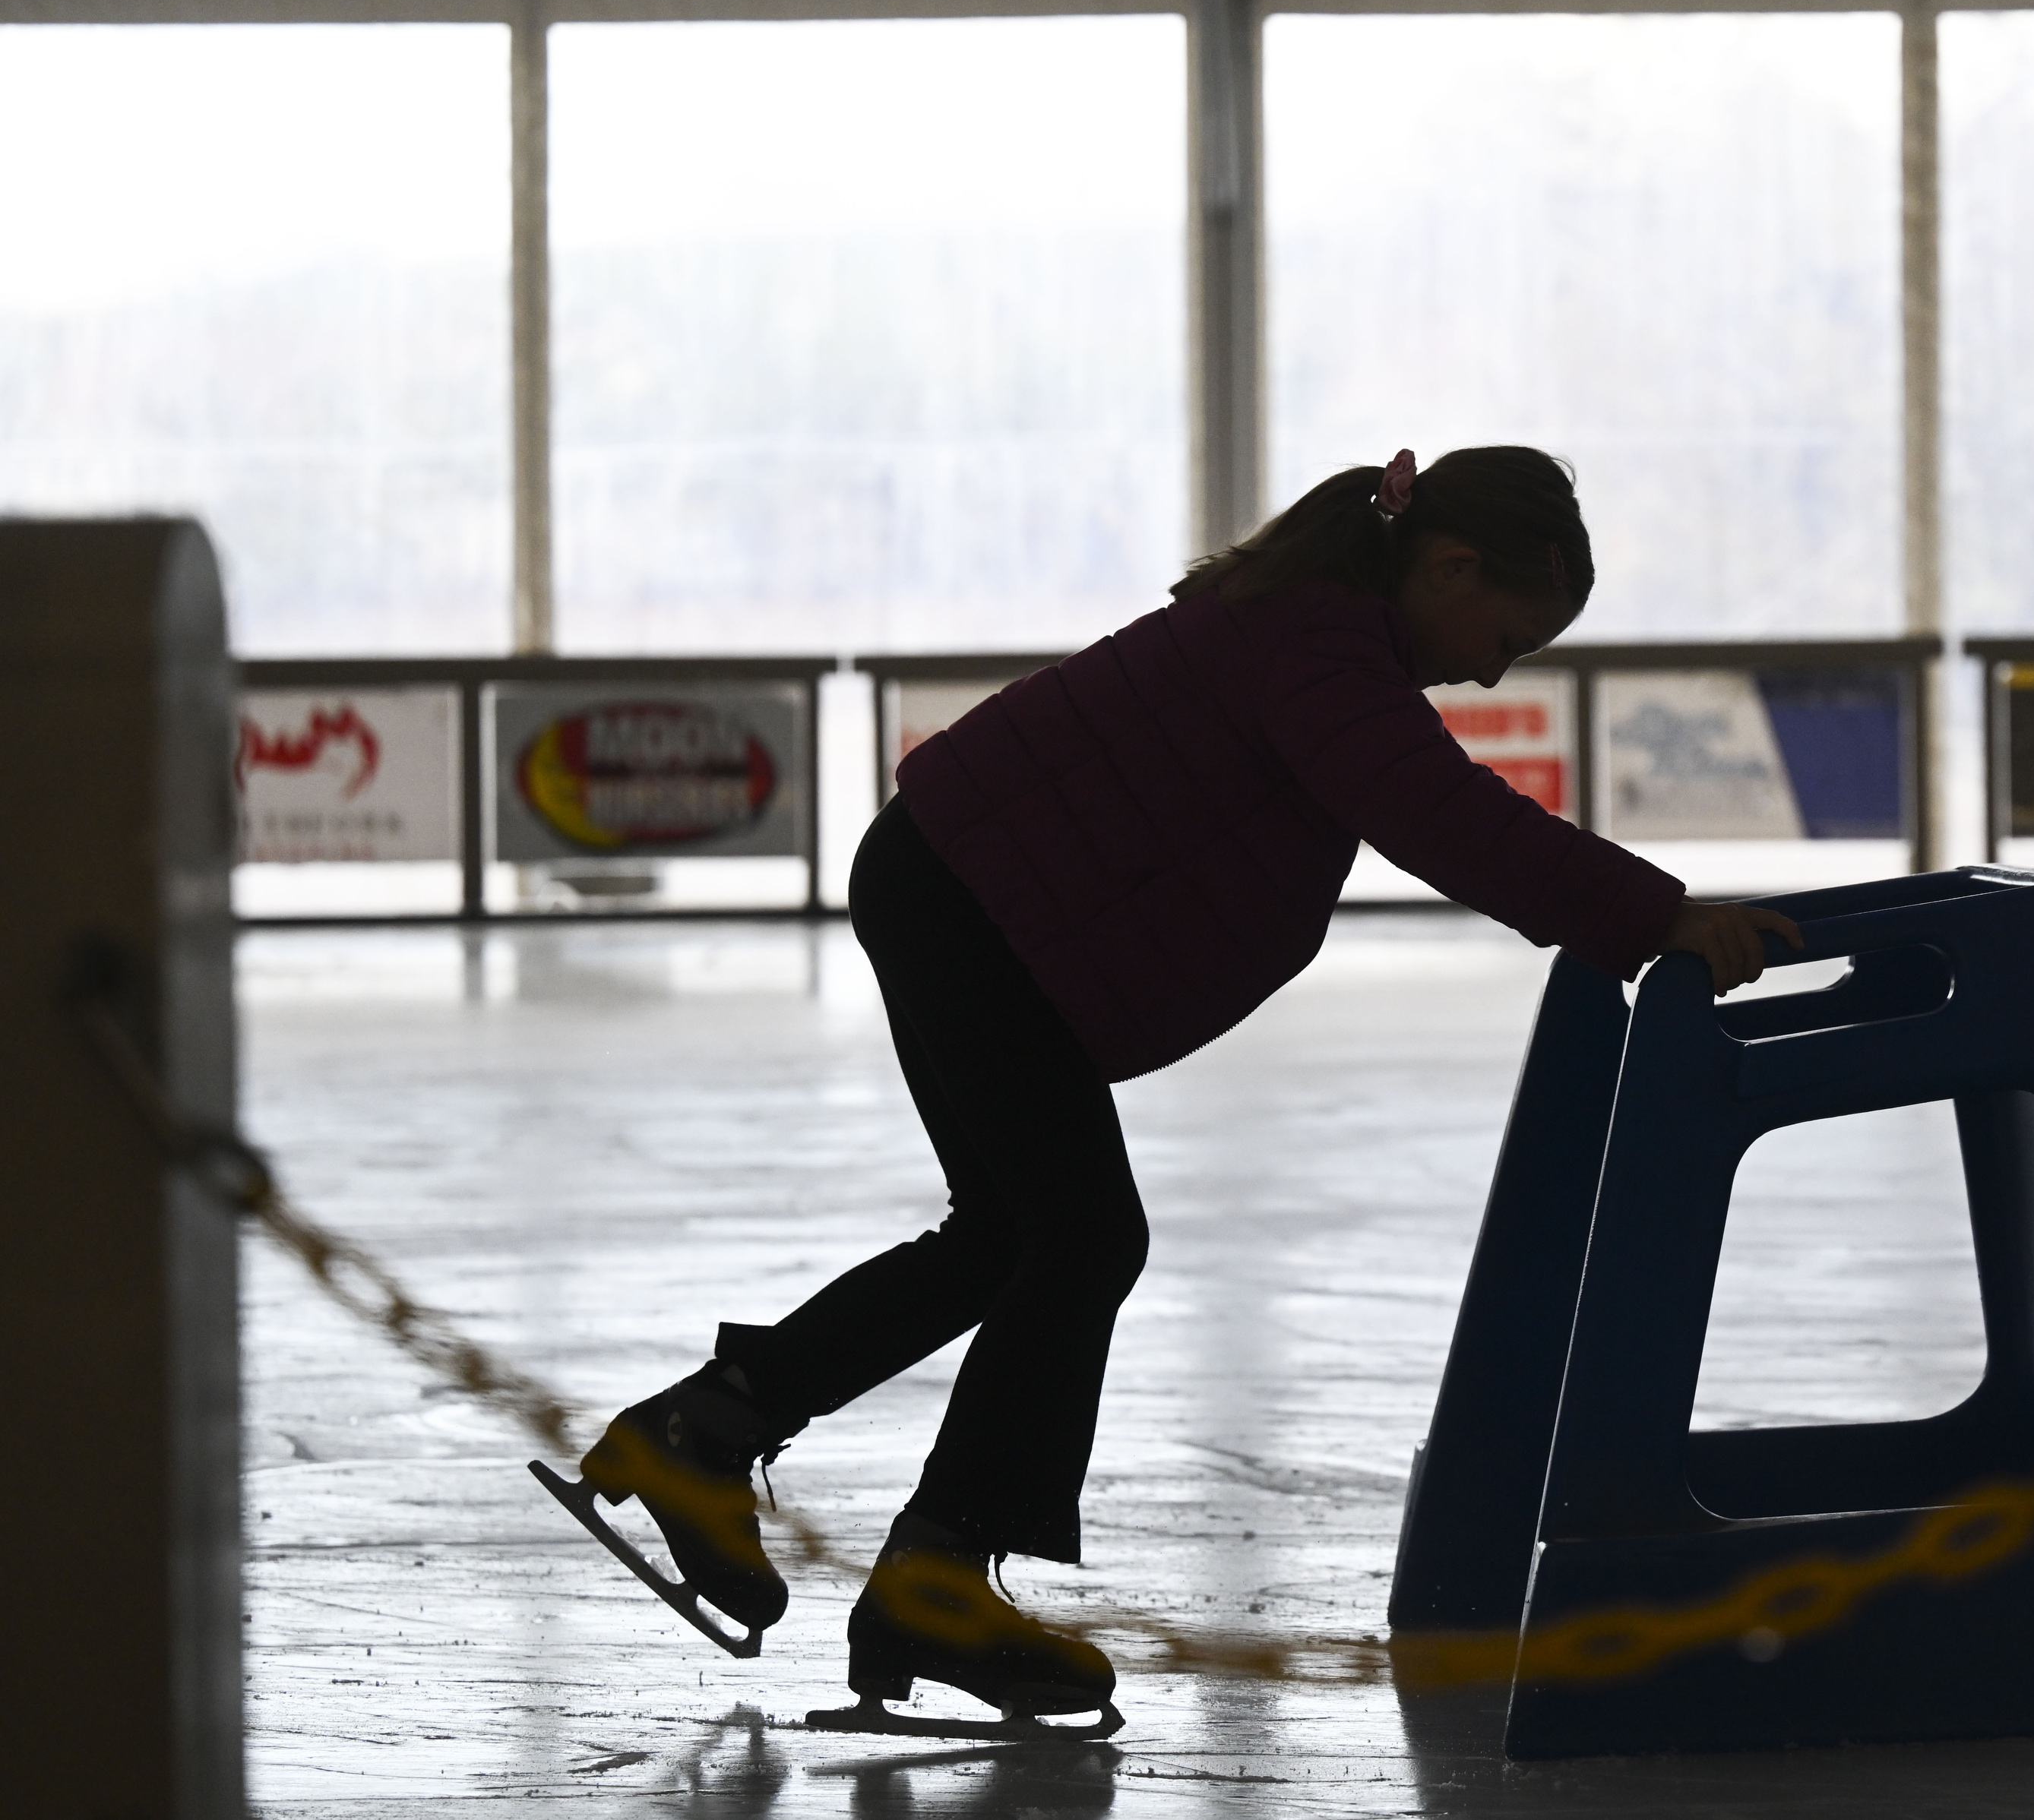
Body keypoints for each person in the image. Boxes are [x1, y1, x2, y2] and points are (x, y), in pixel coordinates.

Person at [551, 445, 1802, 1724]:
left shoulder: (1314, 630)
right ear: (1448, 564)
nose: (1493, 669)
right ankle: (927, 1568)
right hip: (973, 902)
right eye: (1504, 634)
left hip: (957, 889)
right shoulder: (1319, 643)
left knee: (1015, 1235)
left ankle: (715, 1434)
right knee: (1084, 1232)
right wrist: (1659, 916)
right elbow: (1445, 818)